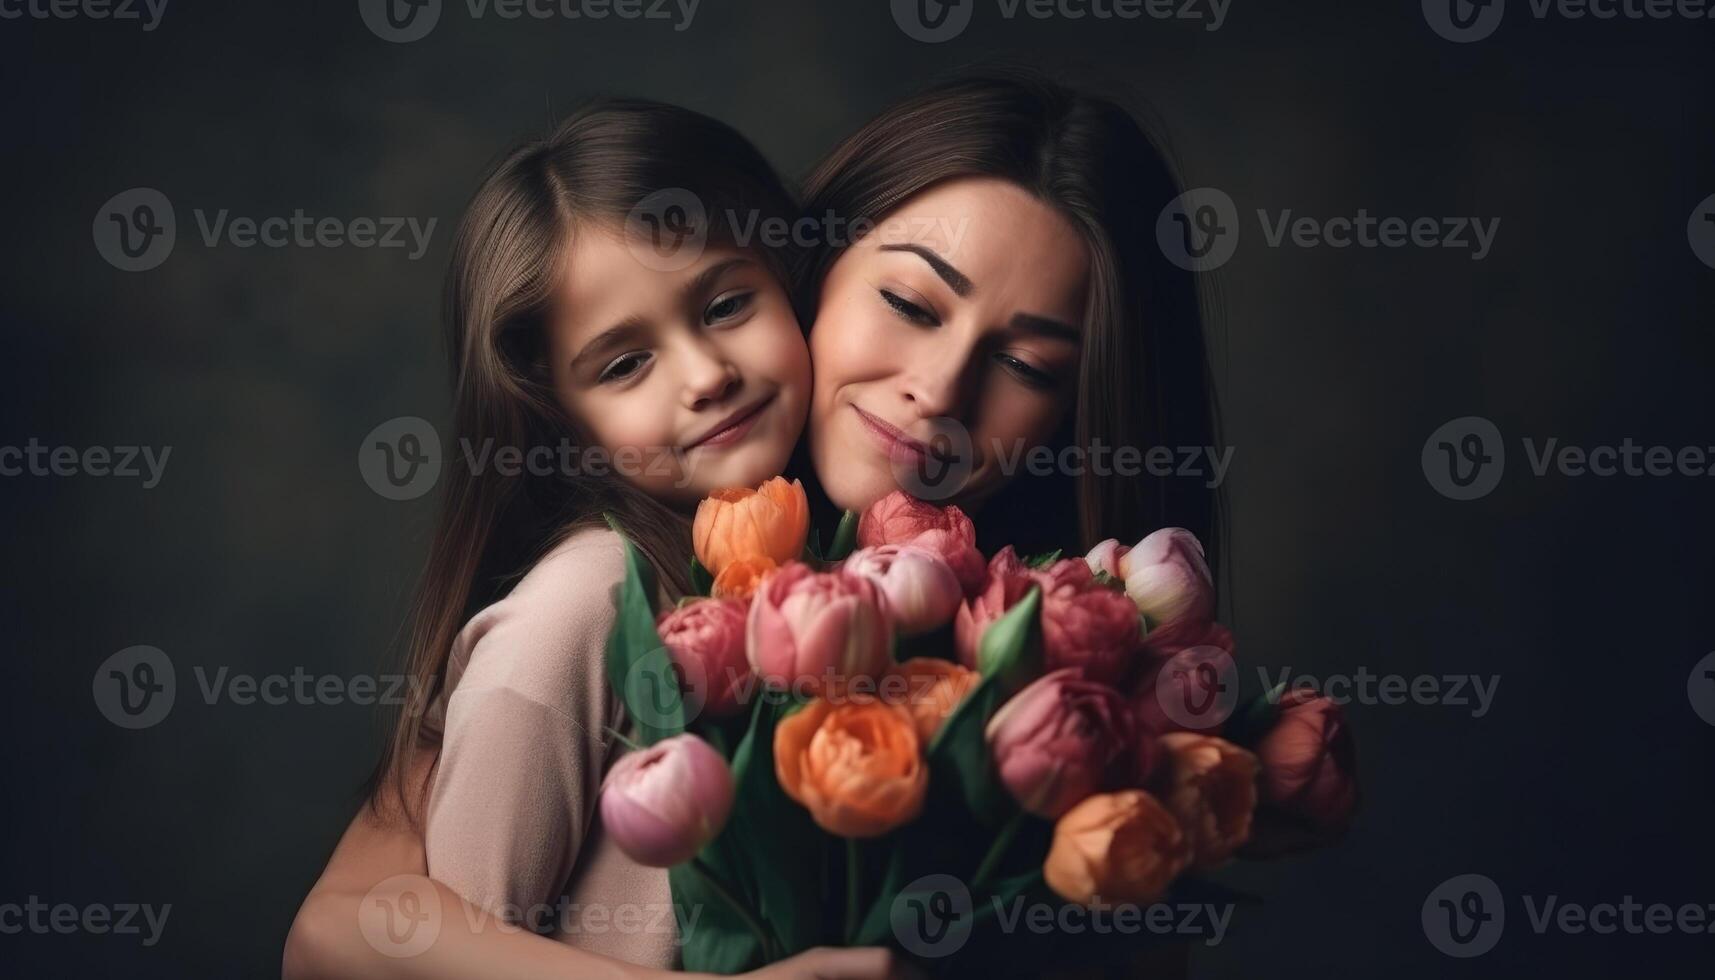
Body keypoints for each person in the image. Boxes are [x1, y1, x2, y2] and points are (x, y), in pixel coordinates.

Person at [285, 66, 1220, 980]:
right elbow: (339, 933)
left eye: (1028, 366)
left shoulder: (1076, 683)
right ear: (808, 262)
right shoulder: (601, 600)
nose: (937, 393)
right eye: (906, 304)